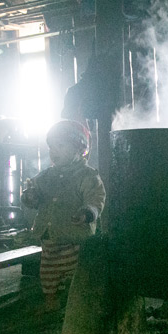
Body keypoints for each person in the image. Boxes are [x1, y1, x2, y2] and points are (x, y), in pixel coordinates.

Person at [21, 120, 106, 312]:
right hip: (50, 237)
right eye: (51, 146)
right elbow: (32, 197)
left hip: (74, 237)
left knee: (75, 272)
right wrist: (29, 196)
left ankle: (75, 303)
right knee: (49, 272)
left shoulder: (87, 176)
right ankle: (51, 301)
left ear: (79, 148)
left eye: (60, 145)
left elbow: (96, 198)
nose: (53, 151)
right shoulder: (45, 177)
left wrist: (87, 212)